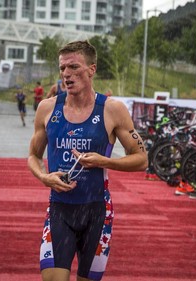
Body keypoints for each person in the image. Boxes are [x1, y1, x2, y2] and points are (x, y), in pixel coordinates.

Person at [27, 40, 148, 281]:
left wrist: (105, 161)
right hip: (60, 208)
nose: (66, 74)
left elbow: (142, 159)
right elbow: (33, 155)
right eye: (62, 68)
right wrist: (43, 177)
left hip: (97, 212)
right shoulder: (47, 108)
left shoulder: (112, 109)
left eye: (73, 67)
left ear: (91, 69)